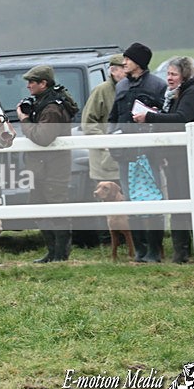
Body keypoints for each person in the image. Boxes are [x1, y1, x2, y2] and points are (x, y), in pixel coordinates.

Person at [133, 56, 194, 263]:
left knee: (190, 201)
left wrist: (149, 117)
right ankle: (181, 252)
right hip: (176, 157)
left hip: (190, 158)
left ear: (184, 75)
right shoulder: (174, 95)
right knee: (178, 202)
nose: (169, 78)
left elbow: (181, 119)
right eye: (167, 74)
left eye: (173, 74)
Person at [108, 42, 167, 262]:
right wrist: (111, 139)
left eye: (128, 59)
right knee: (131, 200)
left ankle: (154, 250)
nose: (124, 62)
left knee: (153, 201)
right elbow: (113, 117)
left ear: (139, 63)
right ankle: (140, 250)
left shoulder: (157, 86)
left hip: (149, 154)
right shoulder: (121, 86)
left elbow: (163, 119)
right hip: (126, 154)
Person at [17, 64, 78, 262]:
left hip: (54, 167)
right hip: (42, 167)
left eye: (32, 82)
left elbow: (43, 137)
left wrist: (25, 120)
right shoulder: (44, 102)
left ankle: (60, 255)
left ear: (43, 83)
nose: (28, 86)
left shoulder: (52, 108)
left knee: (56, 207)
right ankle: (52, 253)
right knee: (38, 207)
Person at [81, 53, 125, 245]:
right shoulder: (101, 91)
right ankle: (108, 240)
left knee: (126, 199)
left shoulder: (132, 89)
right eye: (122, 68)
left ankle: (130, 238)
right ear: (114, 71)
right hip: (105, 160)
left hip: (126, 158)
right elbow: (87, 122)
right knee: (105, 200)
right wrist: (106, 141)